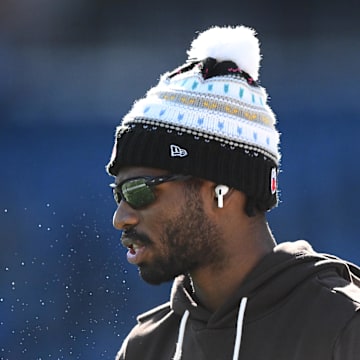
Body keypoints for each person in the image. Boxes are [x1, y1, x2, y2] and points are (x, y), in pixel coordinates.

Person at [106, 25, 360, 360]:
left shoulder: (343, 325)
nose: (120, 218)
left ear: (220, 191)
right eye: (118, 194)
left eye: (139, 191)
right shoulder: (146, 348)